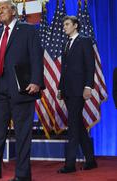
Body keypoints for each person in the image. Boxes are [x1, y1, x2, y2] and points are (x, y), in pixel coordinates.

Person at [0, 0, 44, 180]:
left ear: (13, 10)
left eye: (3, 8)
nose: (0, 11)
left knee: (23, 135)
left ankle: (23, 176)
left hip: (23, 90)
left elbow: (36, 56)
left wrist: (36, 81)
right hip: (1, 92)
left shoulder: (28, 29)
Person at [57, 15, 97, 173]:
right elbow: (63, 69)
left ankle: (70, 164)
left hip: (79, 90)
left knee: (73, 126)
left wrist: (88, 86)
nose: (64, 27)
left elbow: (90, 65)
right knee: (78, 125)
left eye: (67, 24)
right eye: (64, 25)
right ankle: (91, 160)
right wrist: (60, 88)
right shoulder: (66, 43)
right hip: (67, 90)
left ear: (75, 25)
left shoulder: (84, 41)